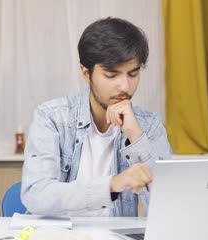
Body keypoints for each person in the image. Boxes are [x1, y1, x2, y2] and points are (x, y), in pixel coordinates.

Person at [21, 17, 171, 217]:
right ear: (86, 73)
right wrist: (111, 185)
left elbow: (167, 208)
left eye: (133, 74)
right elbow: (36, 195)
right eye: (111, 75)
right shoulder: (52, 117)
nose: (125, 87)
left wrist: (136, 136)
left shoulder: (148, 125)